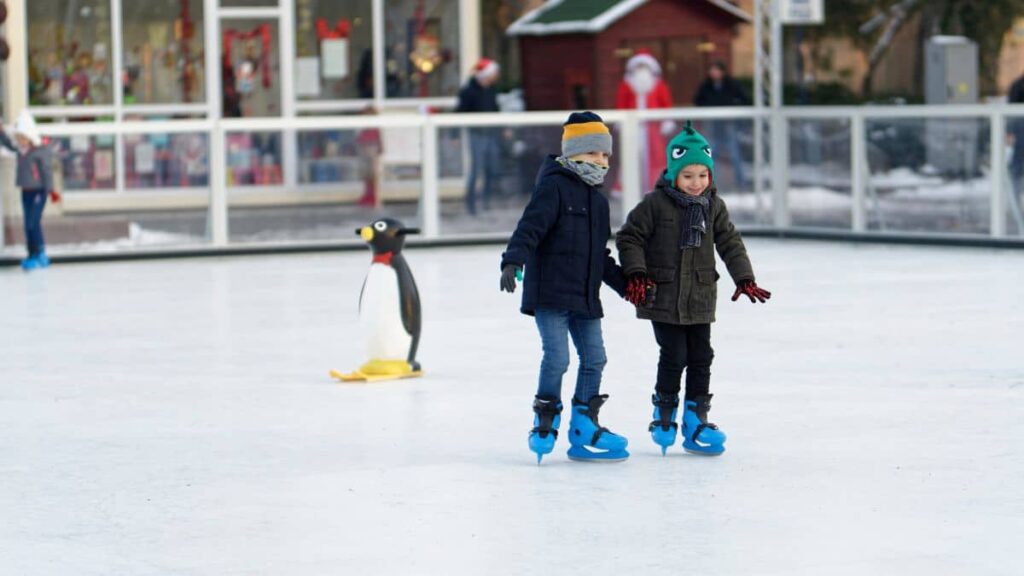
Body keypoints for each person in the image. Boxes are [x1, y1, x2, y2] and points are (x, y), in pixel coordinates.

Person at [616, 121, 772, 456]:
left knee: (702, 355)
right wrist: (637, 273)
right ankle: (665, 412)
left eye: (702, 175)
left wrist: (744, 277)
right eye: (688, 176)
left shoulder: (714, 205)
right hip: (663, 295)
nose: (696, 183)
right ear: (673, 174)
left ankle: (696, 417)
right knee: (675, 355)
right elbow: (629, 237)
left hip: (700, 294)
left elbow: (730, 242)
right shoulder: (654, 204)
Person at [499, 111, 630, 464]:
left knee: (595, 358)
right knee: (557, 357)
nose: (601, 162)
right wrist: (513, 260)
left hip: (585, 296)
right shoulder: (553, 187)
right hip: (552, 294)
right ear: (573, 154)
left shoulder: (599, 202)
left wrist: (626, 286)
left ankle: (584, 424)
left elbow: (600, 256)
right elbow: (530, 227)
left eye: (605, 156)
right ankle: (545, 416)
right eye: (593, 154)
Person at [0, 111, 59, 270]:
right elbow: (9, 144)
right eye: (19, 138)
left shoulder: (40, 151)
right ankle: (32, 253)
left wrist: (51, 190)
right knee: (28, 224)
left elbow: (46, 171)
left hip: (39, 191)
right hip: (26, 191)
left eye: (23, 138)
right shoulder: (21, 150)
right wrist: (2, 132)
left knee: (33, 222)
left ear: (30, 136)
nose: (21, 141)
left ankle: (40, 252)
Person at [615, 49, 674, 192]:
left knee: (656, 156)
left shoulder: (659, 85)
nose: (642, 70)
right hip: (632, 126)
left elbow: (666, 103)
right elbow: (621, 104)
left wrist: (667, 120)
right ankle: (627, 187)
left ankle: (657, 185)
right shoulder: (626, 84)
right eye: (639, 67)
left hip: (653, 127)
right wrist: (621, 121)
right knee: (631, 155)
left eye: (644, 67)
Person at [694, 61, 750, 188]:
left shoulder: (731, 84)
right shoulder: (706, 86)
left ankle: (741, 182)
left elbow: (743, 99)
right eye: (712, 70)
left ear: (722, 71)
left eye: (716, 70)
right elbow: (698, 101)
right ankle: (711, 182)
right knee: (712, 153)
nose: (713, 73)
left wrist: (733, 110)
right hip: (713, 125)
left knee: (735, 153)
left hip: (729, 124)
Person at [456, 58, 501, 215]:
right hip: (476, 134)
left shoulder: (491, 90)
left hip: (491, 134)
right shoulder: (468, 91)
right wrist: (454, 134)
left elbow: (495, 110)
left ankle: (486, 201)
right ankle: (471, 203)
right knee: (476, 169)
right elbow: (460, 112)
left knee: (491, 168)